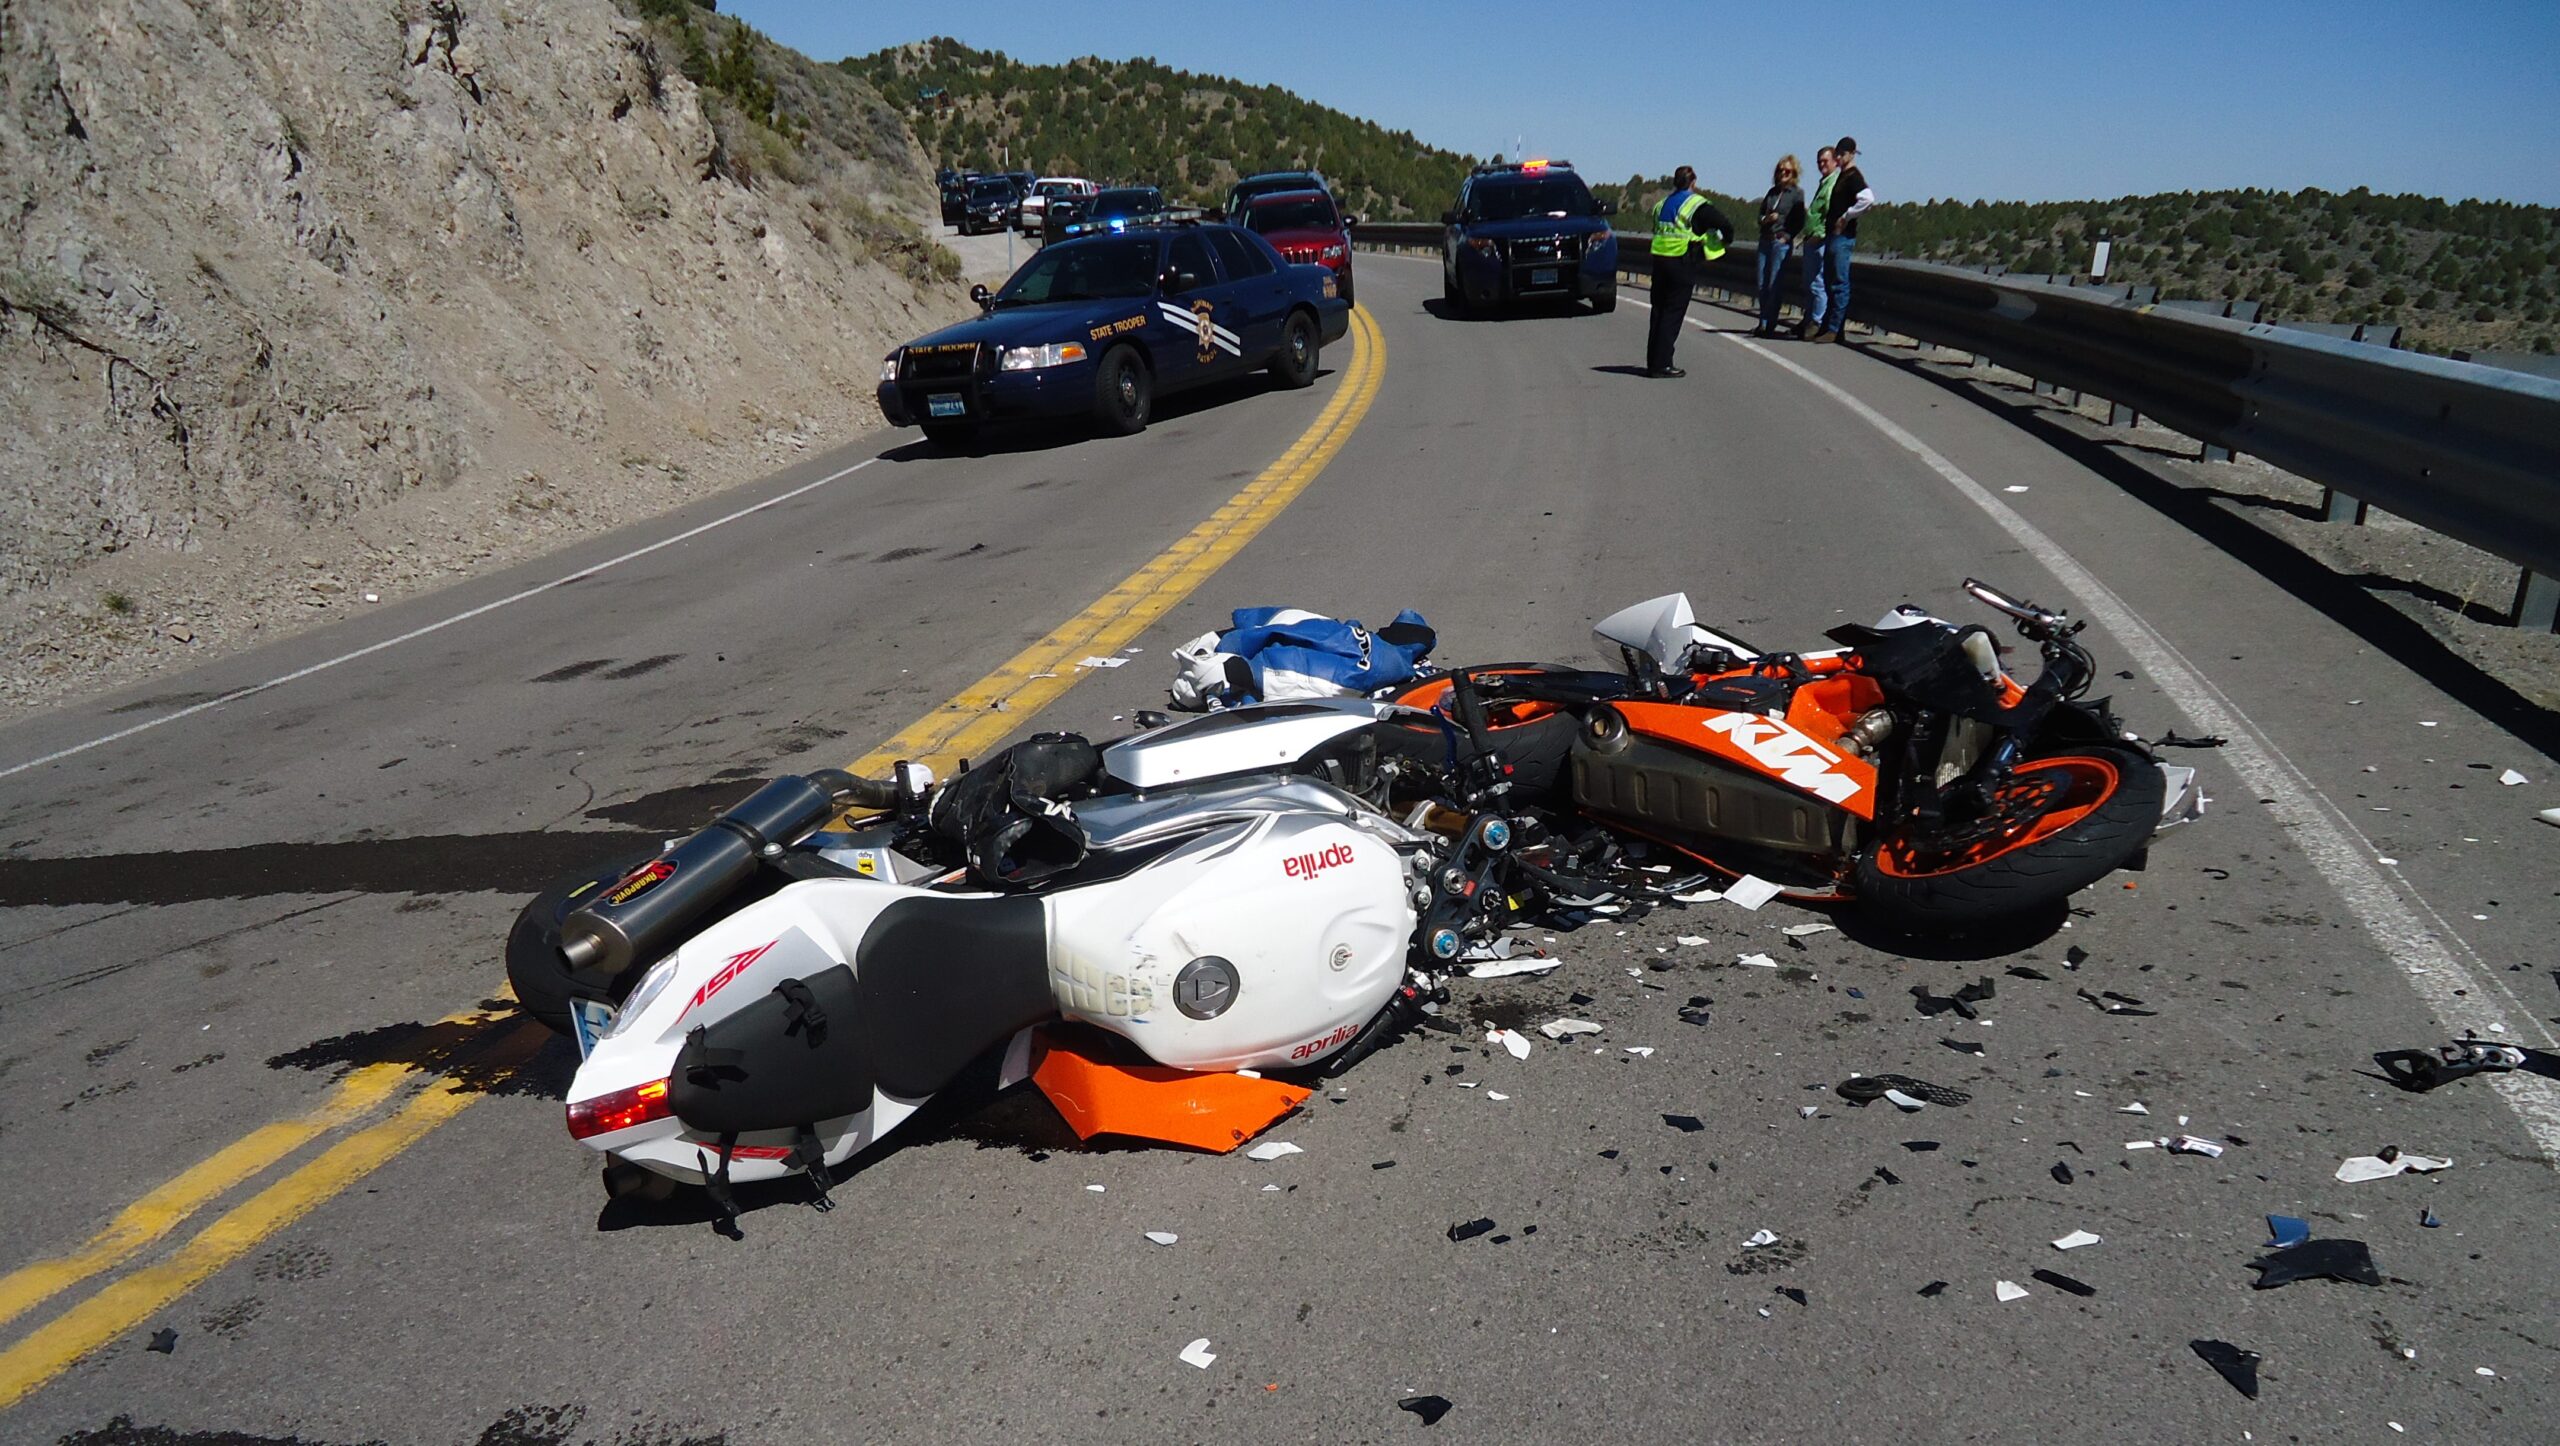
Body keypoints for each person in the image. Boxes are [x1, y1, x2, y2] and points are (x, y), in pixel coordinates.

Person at [1645, 166, 1733, 378]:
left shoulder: (1661, 205)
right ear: (1693, 182)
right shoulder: (1695, 204)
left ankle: (1653, 361)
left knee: (1658, 311)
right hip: (1681, 262)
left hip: (1659, 260)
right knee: (1672, 313)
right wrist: (1725, 241)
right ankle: (1663, 364)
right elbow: (1724, 224)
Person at [1812, 136, 1875, 343]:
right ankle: (1829, 328)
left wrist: (1846, 216)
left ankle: (1834, 328)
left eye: (1841, 154)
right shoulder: (1843, 176)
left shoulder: (1854, 177)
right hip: (1833, 235)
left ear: (1850, 154)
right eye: (1837, 153)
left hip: (1843, 237)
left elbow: (1867, 199)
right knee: (1831, 282)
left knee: (1839, 283)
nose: (1838, 157)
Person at [1751, 155, 1806, 338]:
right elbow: (1760, 216)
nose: (1783, 173)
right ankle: (1763, 322)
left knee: (1774, 285)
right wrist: (1766, 219)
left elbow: (1799, 221)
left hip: (1779, 241)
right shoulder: (1772, 192)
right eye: (1780, 170)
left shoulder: (1797, 194)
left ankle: (1769, 324)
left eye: (1787, 171)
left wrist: (1787, 237)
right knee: (1762, 284)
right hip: (1765, 240)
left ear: (1794, 173)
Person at [1797, 147, 1836, 339]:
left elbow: (1829, 213)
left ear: (1835, 161)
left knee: (1817, 283)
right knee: (1809, 282)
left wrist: (1819, 234)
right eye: (1819, 161)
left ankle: (1816, 321)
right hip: (1811, 238)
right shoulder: (1824, 183)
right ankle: (1808, 319)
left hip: (1819, 240)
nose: (1822, 165)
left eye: (1825, 161)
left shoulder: (1831, 184)